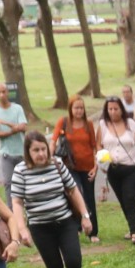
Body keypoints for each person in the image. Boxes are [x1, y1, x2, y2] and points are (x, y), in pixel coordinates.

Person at [7, 129, 92, 268]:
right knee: (55, 267)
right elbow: (17, 202)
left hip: (65, 222)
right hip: (40, 227)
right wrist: (22, 229)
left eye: (43, 149)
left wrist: (85, 216)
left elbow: (73, 190)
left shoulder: (57, 164)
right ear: (28, 152)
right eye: (36, 150)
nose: (41, 154)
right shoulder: (21, 171)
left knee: (74, 261)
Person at [97, 96, 135, 244]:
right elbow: (98, 144)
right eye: (110, 109)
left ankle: (134, 232)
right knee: (123, 200)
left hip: (131, 168)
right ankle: (132, 226)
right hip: (113, 168)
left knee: (129, 197)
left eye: (116, 109)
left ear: (121, 109)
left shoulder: (130, 124)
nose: (113, 112)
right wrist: (103, 156)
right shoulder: (103, 125)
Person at [52, 97, 102, 242]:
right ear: (70, 109)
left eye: (81, 108)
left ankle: (93, 231)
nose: (79, 111)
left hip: (87, 166)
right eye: (76, 108)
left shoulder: (89, 124)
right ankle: (77, 227)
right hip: (70, 166)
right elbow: (53, 141)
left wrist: (95, 166)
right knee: (75, 194)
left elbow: (94, 146)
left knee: (89, 198)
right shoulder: (64, 122)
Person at [0, 82, 28, 192]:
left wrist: (5, 123)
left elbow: (23, 127)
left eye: (3, 92)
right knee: (9, 183)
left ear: (8, 92)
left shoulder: (17, 108)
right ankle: (10, 208)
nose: (1, 95)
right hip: (6, 154)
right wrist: (11, 132)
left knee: (25, 182)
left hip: (21, 153)